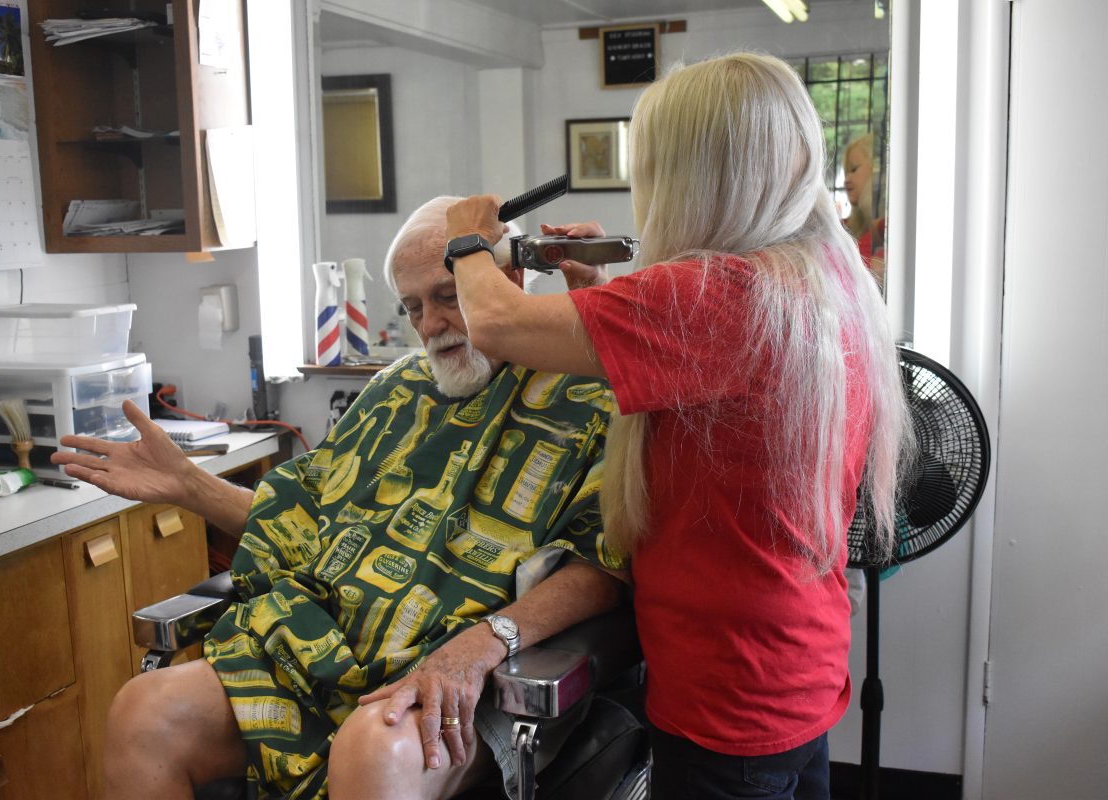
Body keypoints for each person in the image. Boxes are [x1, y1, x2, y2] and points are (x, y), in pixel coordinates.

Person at [442, 53, 911, 800]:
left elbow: (495, 323)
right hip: (796, 670)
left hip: (727, 698)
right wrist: (596, 292)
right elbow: (712, 389)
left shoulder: (717, 296)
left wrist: (465, 240)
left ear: (699, 174)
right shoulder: (825, 280)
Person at [53, 197, 627, 800]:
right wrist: (189, 485)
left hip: (468, 667)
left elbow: (602, 565)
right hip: (320, 647)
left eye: (448, 295)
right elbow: (305, 524)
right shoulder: (395, 393)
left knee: (372, 747)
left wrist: (482, 646)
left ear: (503, 276)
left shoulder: (589, 392)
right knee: (145, 713)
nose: (430, 324)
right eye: (412, 307)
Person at [841, 132, 886, 284]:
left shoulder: (885, 227)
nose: (846, 179)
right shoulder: (844, 226)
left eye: (853, 170)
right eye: (846, 172)